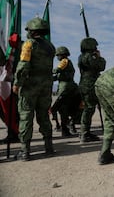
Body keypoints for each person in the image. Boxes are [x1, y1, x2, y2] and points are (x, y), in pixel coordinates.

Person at [12, 17, 56, 161]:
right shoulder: (50, 46)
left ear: (31, 31)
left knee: (26, 115)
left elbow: (23, 65)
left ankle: (25, 151)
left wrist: (17, 83)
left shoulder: (29, 44)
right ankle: (49, 147)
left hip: (30, 85)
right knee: (43, 115)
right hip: (46, 86)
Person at [78, 37, 106, 143]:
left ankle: (85, 132)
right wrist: (99, 57)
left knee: (88, 109)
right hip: (90, 85)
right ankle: (85, 133)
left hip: (84, 84)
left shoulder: (81, 56)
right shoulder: (90, 57)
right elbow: (101, 66)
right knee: (89, 109)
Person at [51, 46, 81, 137]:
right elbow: (57, 76)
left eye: (58, 55)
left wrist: (47, 71)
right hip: (71, 87)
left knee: (60, 108)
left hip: (65, 88)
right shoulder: (68, 63)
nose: (57, 57)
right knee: (67, 108)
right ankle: (67, 127)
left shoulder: (64, 61)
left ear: (62, 55)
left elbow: (57, 70)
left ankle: (65, 129)